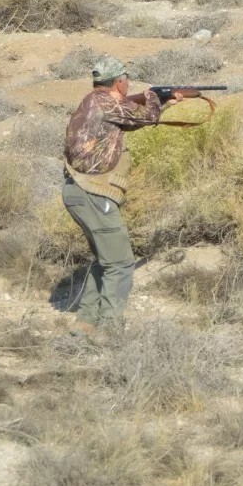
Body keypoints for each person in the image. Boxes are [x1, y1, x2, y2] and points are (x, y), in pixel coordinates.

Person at [61, 57, 181, 335]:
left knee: (106, 261)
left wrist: (161, 103)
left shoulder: (94, 101)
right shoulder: (105, 102)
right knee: (121, 263)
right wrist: (153, 97)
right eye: (126, 79)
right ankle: (108, 329)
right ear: (119, 82)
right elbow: (146, 116)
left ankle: (86, 325)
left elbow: (131, 120)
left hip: (79, 191)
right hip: (92, 191)